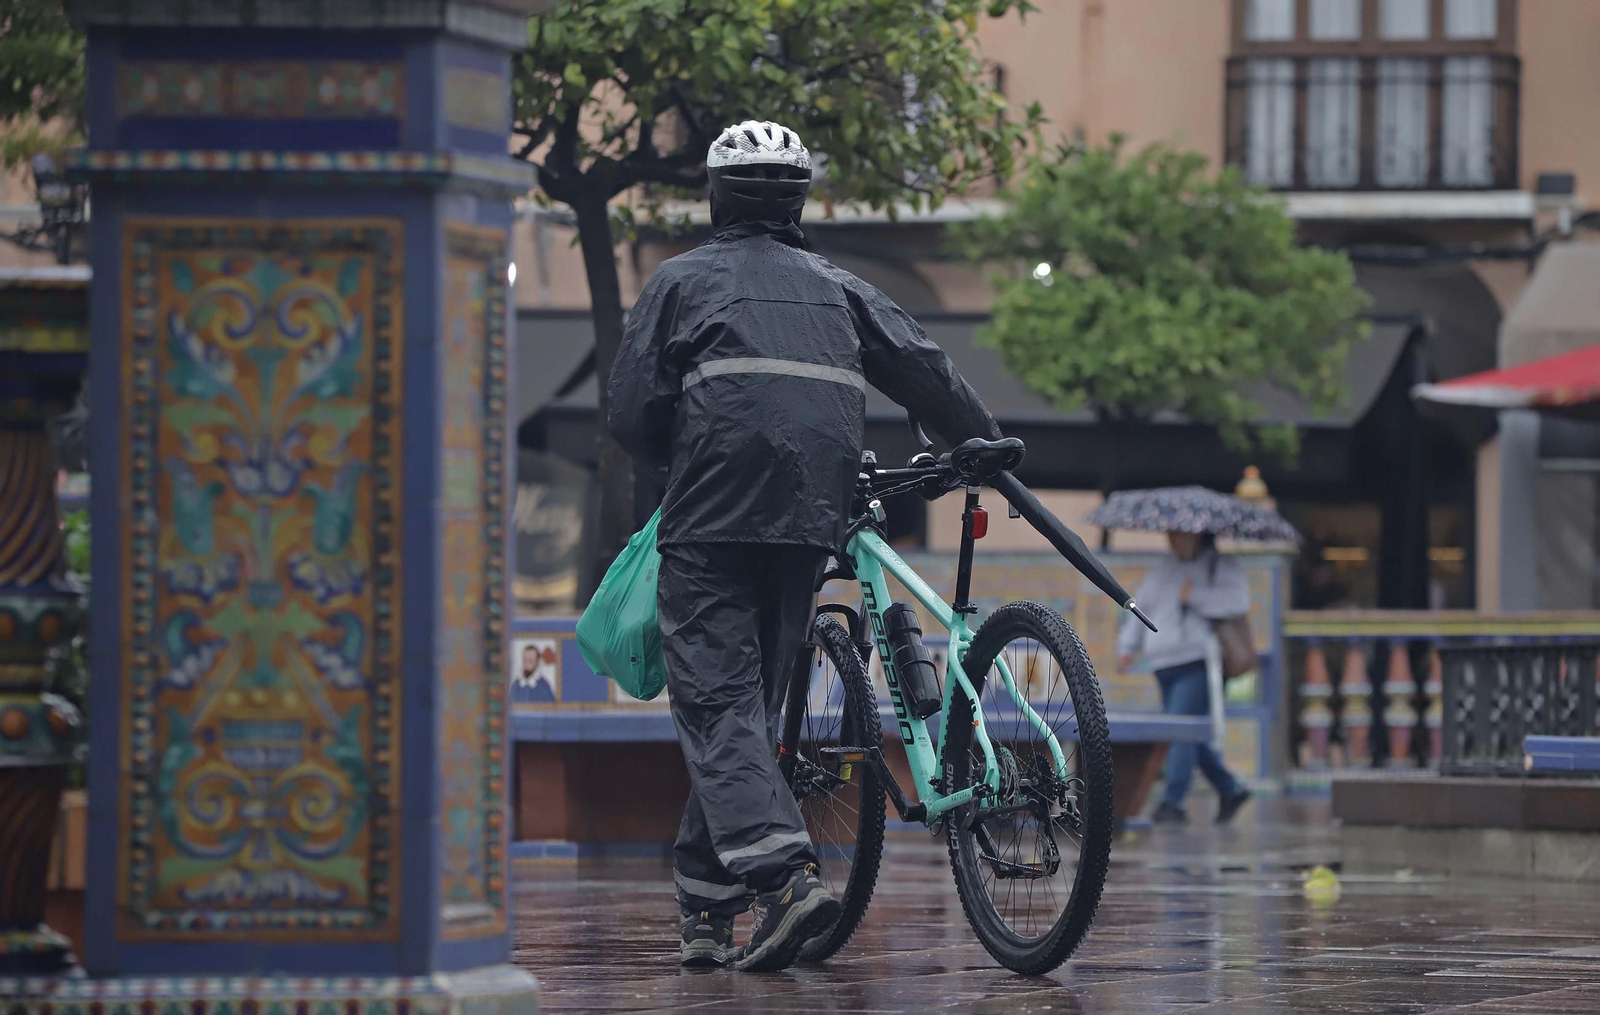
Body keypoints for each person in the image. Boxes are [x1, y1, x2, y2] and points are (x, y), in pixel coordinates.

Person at [607, 120, 1000, 971]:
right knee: (743, 717)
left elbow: (631, 414)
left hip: (710, 521)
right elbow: (923, 366)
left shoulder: (678, 282)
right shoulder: (838, 286)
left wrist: (683, 458)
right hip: (811, 523)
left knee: (717, 708)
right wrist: (984, 441)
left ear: (716, 196)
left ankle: (786, 883)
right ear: (800, 198)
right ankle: (706, 912)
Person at [1117, 530, 1254, 825]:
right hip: (1163, 663)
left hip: (1197, 661)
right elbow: (1140, 608)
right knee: (1187, 733)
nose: (1173, 540)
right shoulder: (1163, 569)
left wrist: (1195, 596)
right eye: (1170, 534)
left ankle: (1173, 802)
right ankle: (1231, 789)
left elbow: (1237, 603)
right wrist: (1128, 647)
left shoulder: (1220, 565)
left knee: (1179, 729)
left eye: (1180, 534)